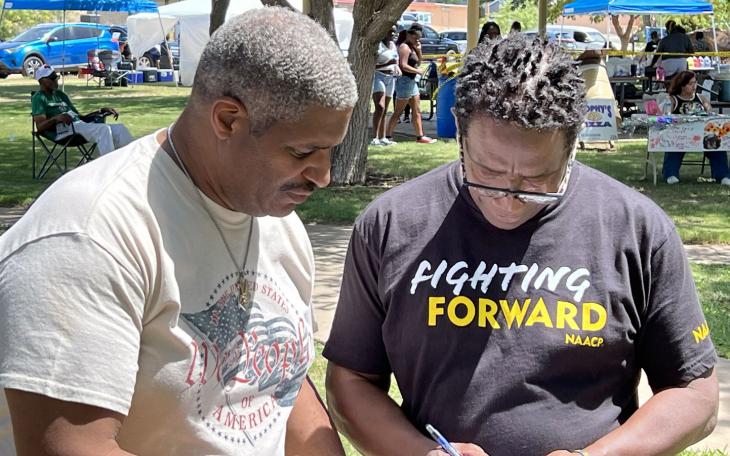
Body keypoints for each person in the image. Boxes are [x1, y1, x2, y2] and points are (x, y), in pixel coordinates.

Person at [324, 34, 718, 456]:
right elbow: (350, 381)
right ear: (459, 132)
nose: (508, 199)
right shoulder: (391, 225)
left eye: (536, 181)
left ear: (572, 145)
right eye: (486, 171)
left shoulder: (637, 229)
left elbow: (695, 392)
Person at [0, 7, 357, 456]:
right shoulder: (89, 234)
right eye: (303, 151)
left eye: (329, 151)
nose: (323, 175)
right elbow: (68, 446)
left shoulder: (275, 220)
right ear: (228, 119)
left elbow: (283, 384)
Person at [32, 64, 133, 155]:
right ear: (42, 80)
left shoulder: (60, 94)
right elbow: (40, 126)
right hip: (62, 131)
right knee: (103, 130)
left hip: (79, 126)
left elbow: (80, 117)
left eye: (57, 76)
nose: (56, 79)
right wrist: (56, 118)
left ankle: (132, 163)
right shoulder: (39, 97)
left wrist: (100, 111)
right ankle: (109, 169)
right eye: (53, 77)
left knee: (120, 129)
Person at [662, 71, 730, 186]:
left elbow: (710, 115)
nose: (694, 86)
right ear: (682, 85)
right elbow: (666, 115)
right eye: (690, 84)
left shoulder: (702, 98)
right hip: (680, 134)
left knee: (717, 145)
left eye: (695, 83)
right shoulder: (673, 99)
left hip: (703, 134)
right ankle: (670, 174)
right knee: (673, 146)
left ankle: (722, 175)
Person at [386, 26, 437, 144]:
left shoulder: (413, 47)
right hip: (405, 81)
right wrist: (417, 71)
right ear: (409, 35)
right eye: (415, 38)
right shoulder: (404, 47)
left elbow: (418, 62)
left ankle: (420, 136)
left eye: (419, 38)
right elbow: (403, 65)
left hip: (412, 82)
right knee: (399, 111)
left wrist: (419, 50)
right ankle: (388, 136)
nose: (417, 40)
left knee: (416, 110)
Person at [372, 26, 400, 146]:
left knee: (386, 109)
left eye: (394, 31)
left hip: (391, 77)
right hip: (379, 76)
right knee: (380, 107)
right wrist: (388, 63)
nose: (393, 33)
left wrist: (397, 67)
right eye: (390, 30)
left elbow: (395, 60)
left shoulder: (393, 45)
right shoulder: (378, 45)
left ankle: (383, 138)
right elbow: (370, 65)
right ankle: (375, 137)